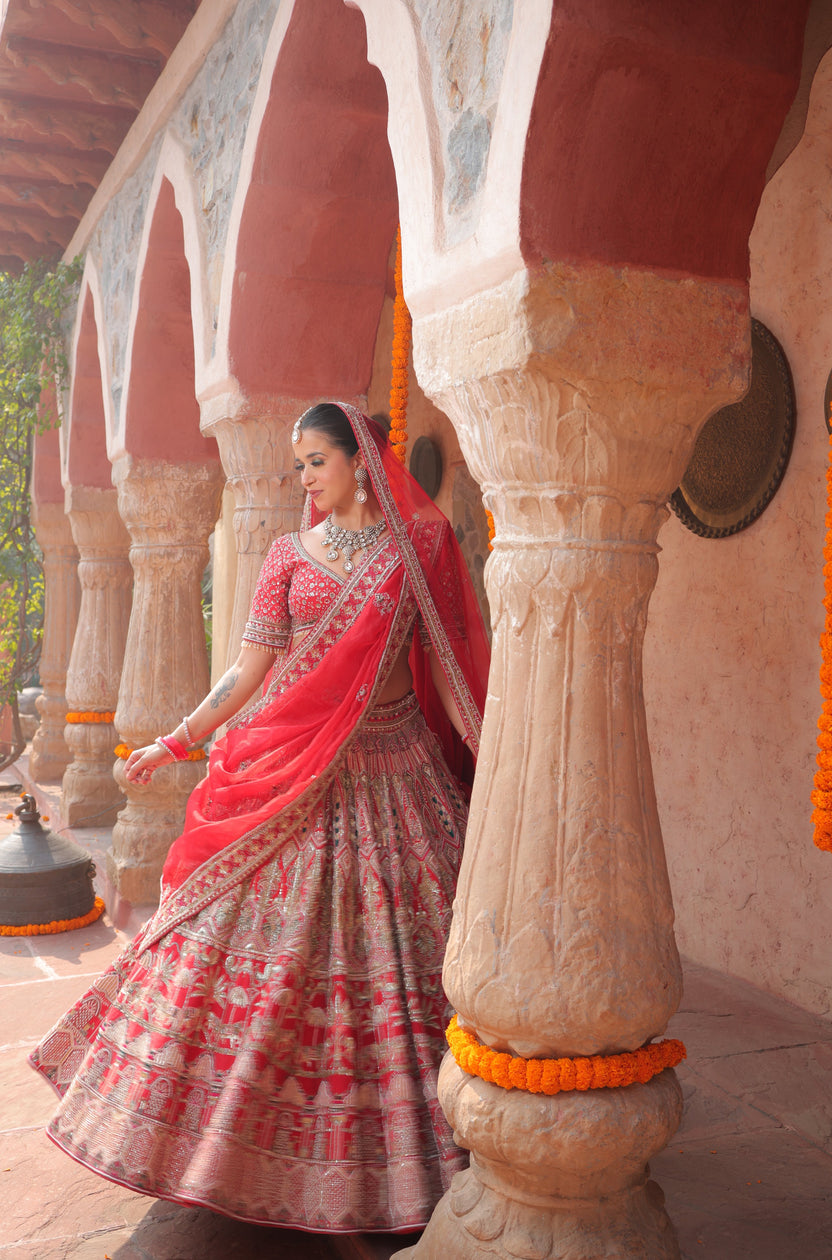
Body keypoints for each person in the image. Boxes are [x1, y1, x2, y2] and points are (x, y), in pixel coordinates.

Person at [29, 402, 490, 1235]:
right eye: (299, 466)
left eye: (318, 461)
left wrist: (489, 756)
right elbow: (246, 675)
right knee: (244, 953)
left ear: (362, 459)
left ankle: (418, 1152)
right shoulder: (284, 556)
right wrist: (177, 742)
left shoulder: (416, 551)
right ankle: (228, 1144)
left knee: (409, 965)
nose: (306, 479)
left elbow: (453, 667)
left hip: (396, 776)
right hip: (292, 776)